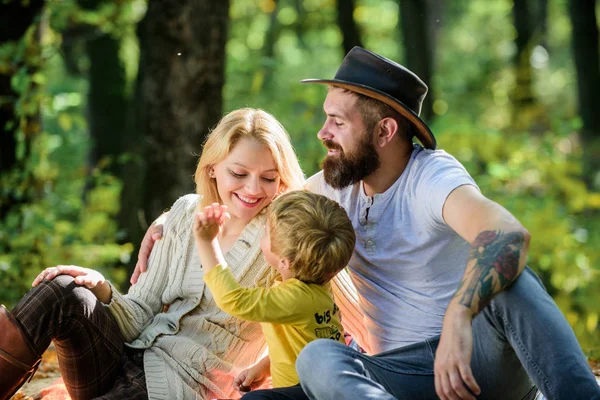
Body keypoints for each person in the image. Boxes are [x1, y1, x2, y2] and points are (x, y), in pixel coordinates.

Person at [134, 47, 600, 400]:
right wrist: (167, 222)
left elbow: (507, 233)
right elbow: (253, 196)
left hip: (475, 362)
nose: (322, 134)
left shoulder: (431, 177)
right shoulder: (337, 185)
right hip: (392, 378)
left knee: (513, 282)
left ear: (384, 132)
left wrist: (460, 316)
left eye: (337, 122)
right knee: (316, 358)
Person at [0, 108, 305, 400]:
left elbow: (321, 294)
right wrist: (103, 288)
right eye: (239, 173)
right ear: (212, 168)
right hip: (128, 355)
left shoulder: (284, 238)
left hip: (182, 388)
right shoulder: (186, 212)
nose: (253, 189)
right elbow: (139, 314)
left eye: (268, 177)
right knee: (64, 287)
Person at [192, 190, 355, 399]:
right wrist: (264, 366)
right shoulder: (317, 286)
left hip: (307, 393)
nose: (263, 232)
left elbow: (234, 301)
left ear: (285, 262)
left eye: (267, 232)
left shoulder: (296, 298)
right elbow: (302, 341)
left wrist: (207, 242)